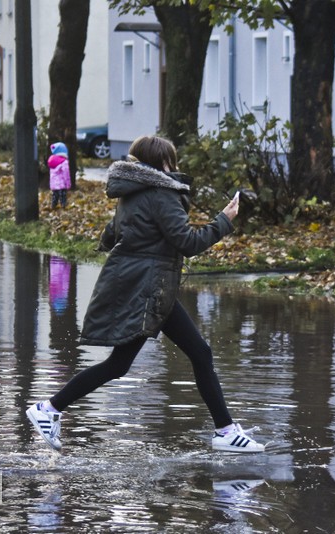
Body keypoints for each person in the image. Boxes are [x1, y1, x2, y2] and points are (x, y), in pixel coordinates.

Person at [26, 135, 264, 453]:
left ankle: (51, 409)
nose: (174, 166)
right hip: (150, 290)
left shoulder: (131, 194)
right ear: (162, 163)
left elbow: (110, 238)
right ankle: (225, 431)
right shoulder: (161, 193)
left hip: (145, 286)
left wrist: (142, 246)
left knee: (143, 361)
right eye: (171, 160)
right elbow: (188, 243)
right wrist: (224, 220)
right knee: (190, 355)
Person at [47, 142, 71, 208]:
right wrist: (68, 184)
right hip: (62, 184)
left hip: (54, 184)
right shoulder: (64, 162)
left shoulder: (51, 161)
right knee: (63, 197)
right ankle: (63, 206)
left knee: (55, 196)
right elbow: (66, 174)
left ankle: (53, 206)